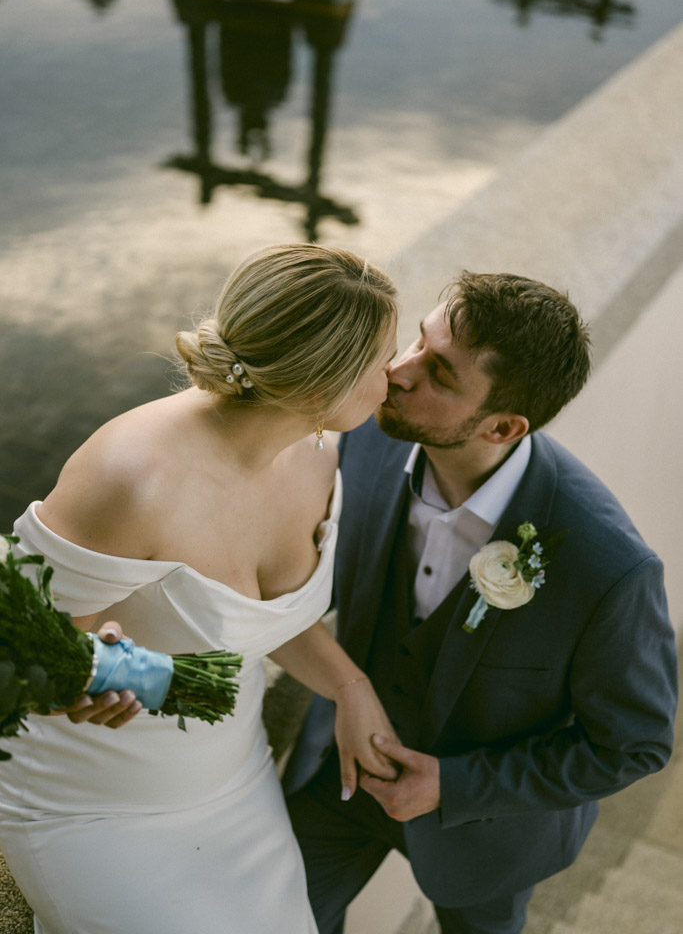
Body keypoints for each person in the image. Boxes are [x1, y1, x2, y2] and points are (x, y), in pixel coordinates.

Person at [0, 243, 401, 934]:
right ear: (318, 390)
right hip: (95, 803)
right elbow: (21, 641)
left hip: (230, 783)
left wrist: (349, 687)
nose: (392, 378)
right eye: (379, 363)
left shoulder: (315, 455)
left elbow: (257, 621)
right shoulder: (133, 477)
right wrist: (86, 671)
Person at [285, 270, 678, 934]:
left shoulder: (605, 565)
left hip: (490, 831)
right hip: (339, 777)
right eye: (417, 341)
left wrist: (453, 786)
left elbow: (634, 745)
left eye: (439, 373)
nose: (398, 372)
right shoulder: (367, 438)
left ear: (500, 426)